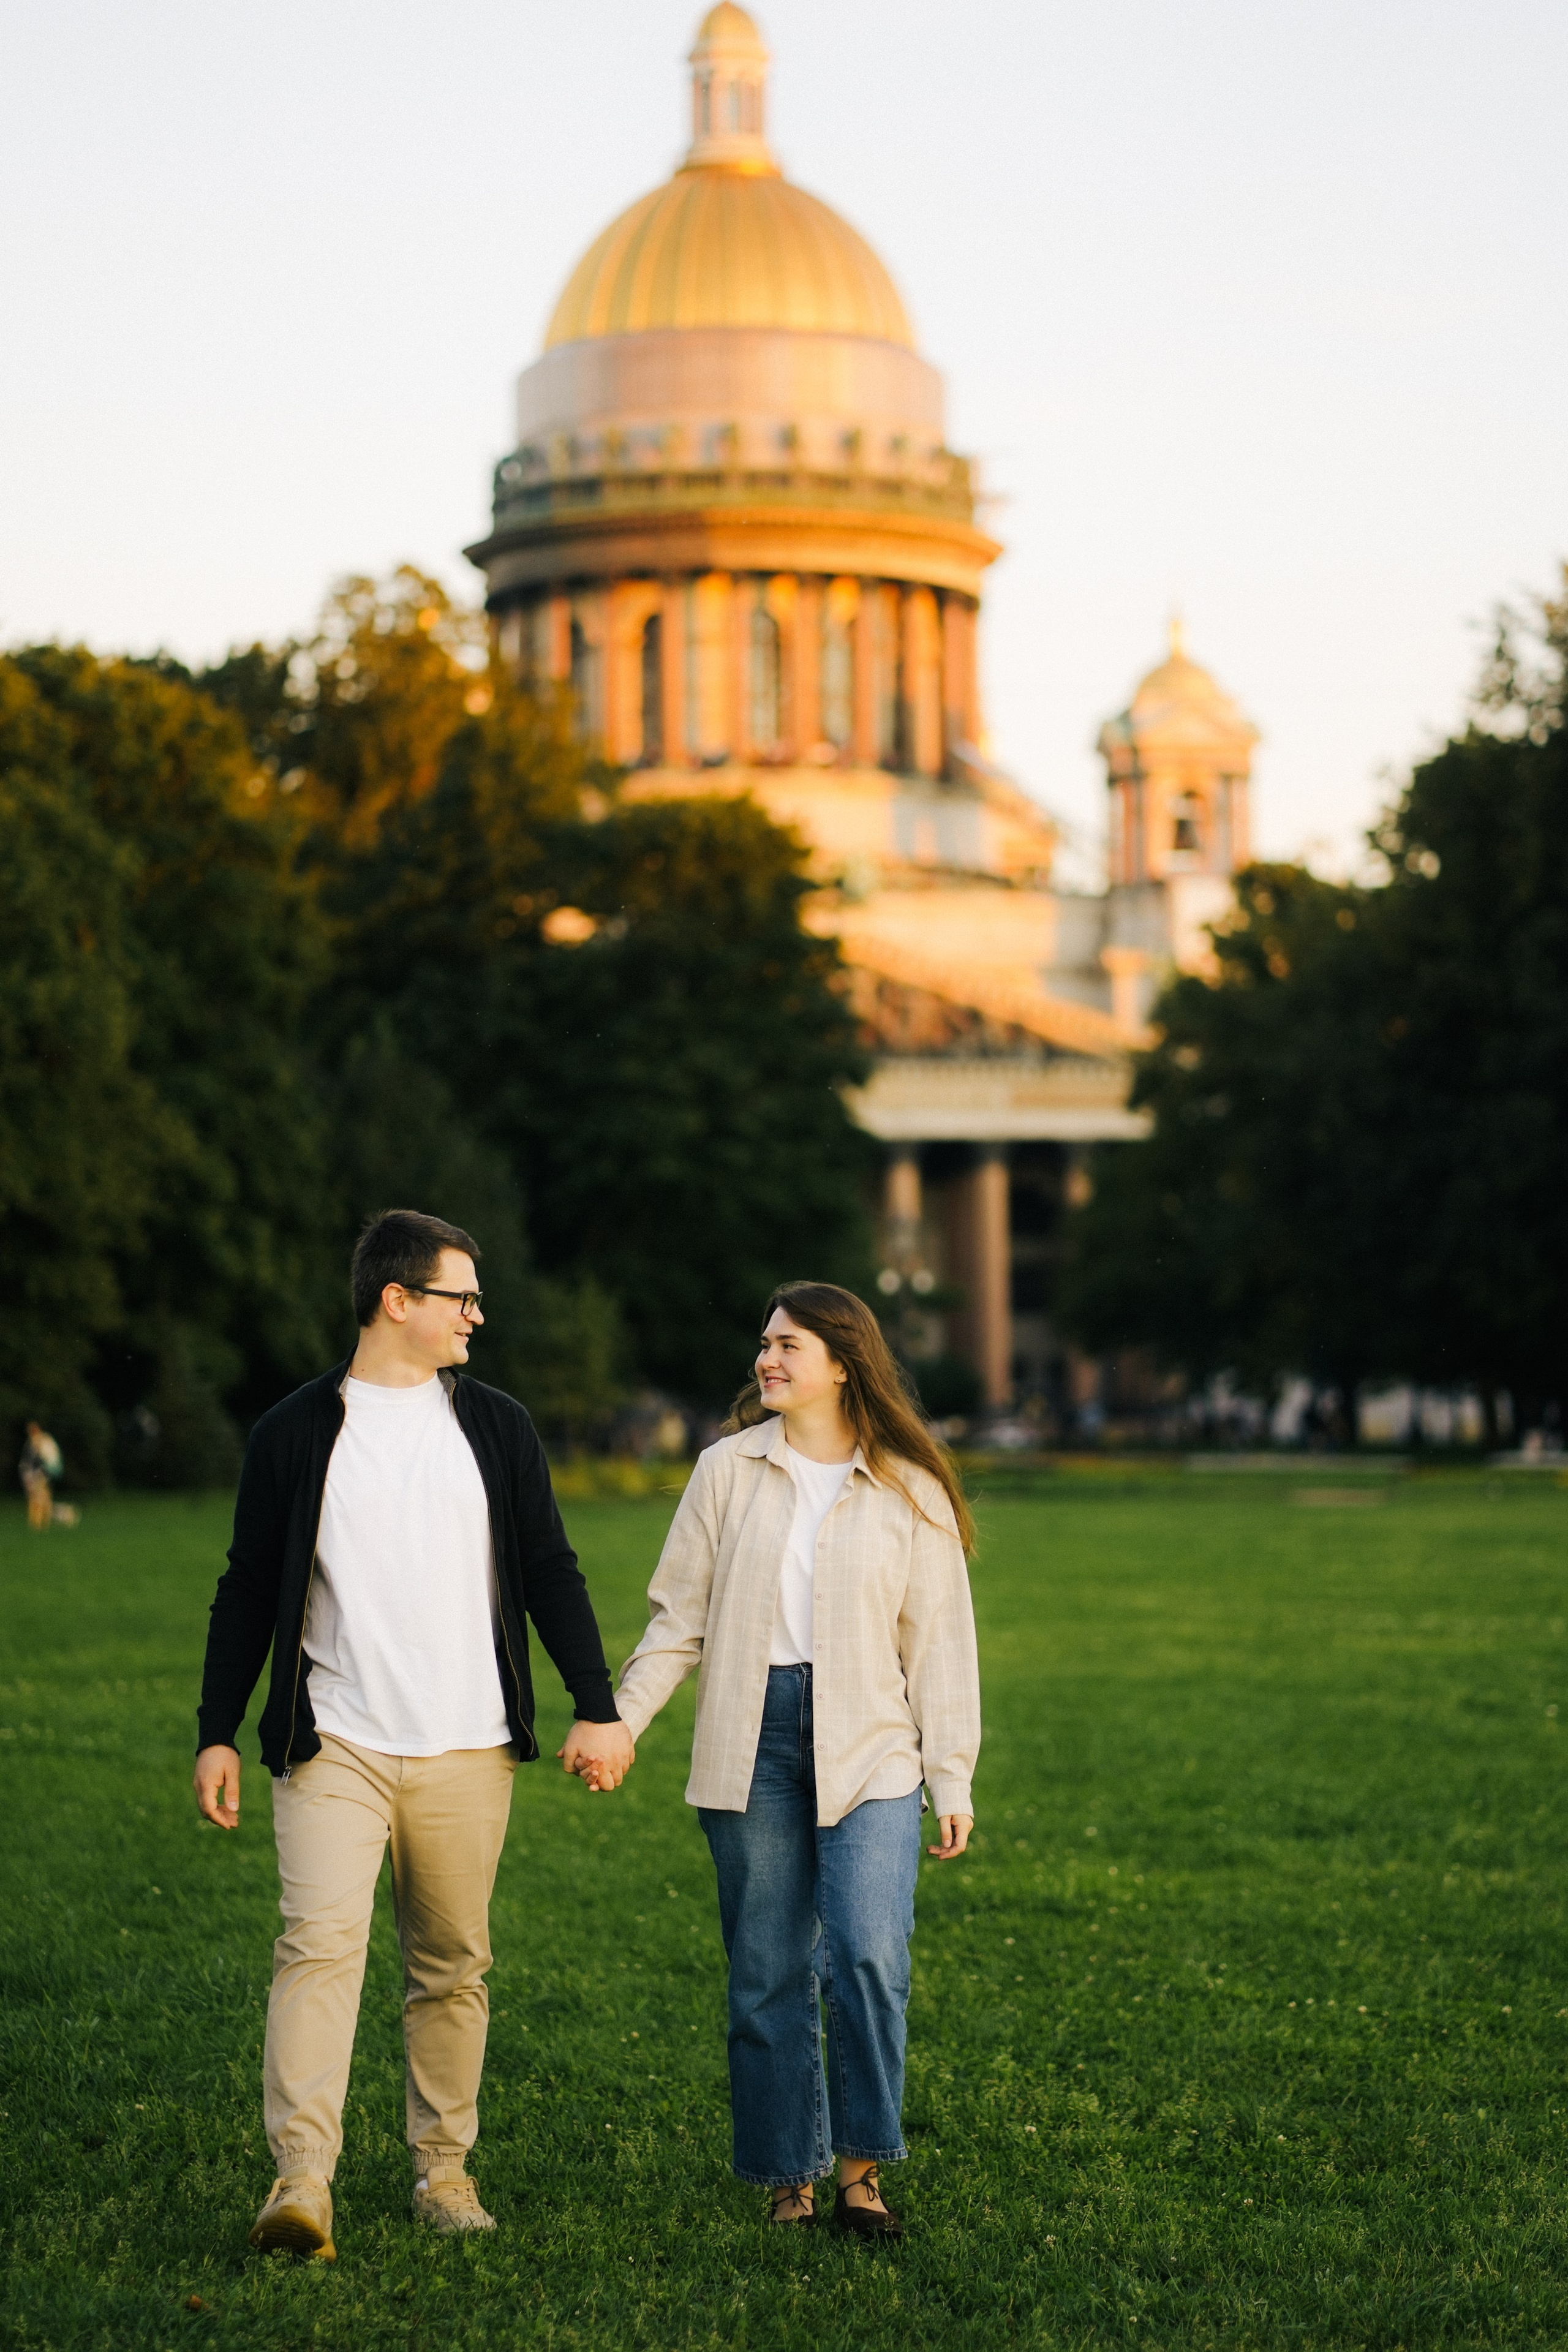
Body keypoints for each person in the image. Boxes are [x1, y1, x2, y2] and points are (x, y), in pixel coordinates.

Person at [192, 1208, 635, 2261]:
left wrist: (597, 1702)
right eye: (461, 1297)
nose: (477, 1316)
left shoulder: (496, 1427)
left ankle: (443, 2172)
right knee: (317, 1949)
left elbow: (550, 1570)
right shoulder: (296, 1434)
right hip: (332, 1740)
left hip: (469, 1746)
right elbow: (248, 1589)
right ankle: (302, 2183)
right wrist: (217, 1728)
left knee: (450, 1964)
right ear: (398, 1300)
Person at [612, 1280, 980, 2236]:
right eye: (765, 1345)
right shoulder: (726, 1472)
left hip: (873, 1745)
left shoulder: (911, 1486)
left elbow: (939, 1644)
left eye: (789, 1346)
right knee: (767, 1972)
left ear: (843, 1363)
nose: (767, 1360)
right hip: (753, 1739)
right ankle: (790, 2176)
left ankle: (861, 2173)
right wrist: (622, 1720)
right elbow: (675, 1622)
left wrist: (954, 1775)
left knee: (866, 1955)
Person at [19, 1421, 65, 1531]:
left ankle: (38, 1524)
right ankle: (41, 1523)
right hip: (44, 1472)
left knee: (38, 1496)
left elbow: (41, 1460)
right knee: (43, 1496)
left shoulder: (40, 1441)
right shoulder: (40, 1440)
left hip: (43, 1471)